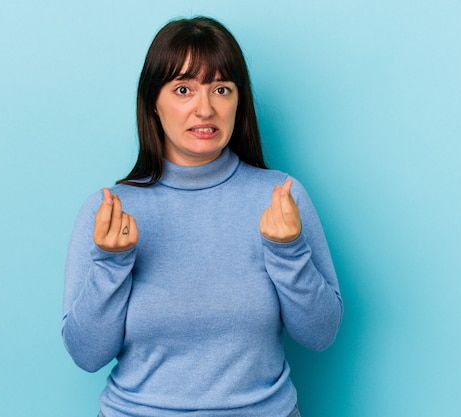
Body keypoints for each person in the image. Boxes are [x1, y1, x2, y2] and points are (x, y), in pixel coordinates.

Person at [62, 16, 343, 417]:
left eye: (221, 89)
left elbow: (320, 335)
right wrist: (111, 264)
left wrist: (288, 253)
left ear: (238, 102)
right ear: (153, 104)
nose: (205, 108)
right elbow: (87, 354)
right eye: (183, 89)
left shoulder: (281, 197)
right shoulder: (108, 211)